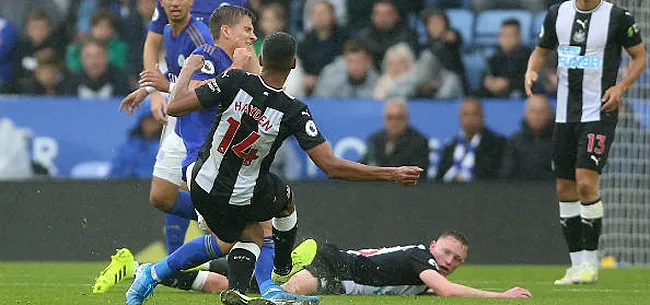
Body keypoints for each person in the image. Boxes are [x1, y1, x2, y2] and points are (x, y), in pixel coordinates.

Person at [151, 31, 422, 305]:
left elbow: (174, 106)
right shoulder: (294, 111)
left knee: (249, 234)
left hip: (201, 183)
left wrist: (187, 69)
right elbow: (331, 167)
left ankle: (165, 276)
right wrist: (391, 173)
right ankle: (279, 273)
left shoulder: (235, 78)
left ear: (260, 58)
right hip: (243, 190)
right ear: (294, 64)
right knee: (279, 206)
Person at [525, 0, 647, 284]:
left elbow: (640, 56)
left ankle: (591, 263)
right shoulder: (558, 13)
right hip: (565, 116)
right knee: (565, 187)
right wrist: (532, 69)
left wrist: (622, 86)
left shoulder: (618, 17)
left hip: (599, 112)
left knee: (585, 183)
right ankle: (576, 264)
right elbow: (541, 51)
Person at [275, 232, 532, 298]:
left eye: (457, 260)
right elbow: (448, 290)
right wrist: (501, 295)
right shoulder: (421, 256)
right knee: (286, 294)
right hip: (337, 266)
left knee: (248, 284)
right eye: (446, 252)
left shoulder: (423, 269)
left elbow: (433, 290)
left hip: (342, 277)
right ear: (433, 247)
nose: (449, 261)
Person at [143, 0, 246, 126]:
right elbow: (152, 45)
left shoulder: (201, 38)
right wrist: (151, 90)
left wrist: (167, 87)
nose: (175, 3)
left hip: (206, 110)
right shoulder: (169, 31)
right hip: (184, 102)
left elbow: (211, 87)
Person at [435, 97, 506, 182]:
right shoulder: (450, 148)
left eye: (474, 114)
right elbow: (438, 179)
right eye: (465, 114)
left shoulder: (497, 145)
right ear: (460, 118)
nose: (470, 119)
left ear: (482, 117)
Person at [361, 97, 429, 176]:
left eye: (399, 118)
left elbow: (419, 174)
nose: (394, 123)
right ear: (384, 119)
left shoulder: (419, 142)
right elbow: (365, 165)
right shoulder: (374, 139)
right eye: (390, 118)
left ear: (407, 119)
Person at [298, 1, 349, 95]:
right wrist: (305, 77)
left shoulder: (344, 39)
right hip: (310, 87)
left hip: (338, 86)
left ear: (333, 15)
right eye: (315, 13)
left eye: (323, 13)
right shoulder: (305, 41)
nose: (319, 16)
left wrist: (323, 80)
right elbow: (301, 65)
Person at [499, 95, 554, 180]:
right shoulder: (515, 141)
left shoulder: (559, 141)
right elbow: (507, 173)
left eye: (541, 112)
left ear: (550, 114)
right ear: (525, 114)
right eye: (533, 111)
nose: (537, 116)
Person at [358, 0, 419, 68]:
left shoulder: (407, 35)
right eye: (378, 14)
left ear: (396, 15)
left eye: (386, 14)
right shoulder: (365, 35)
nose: (382, 18)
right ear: (372, 17)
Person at [66, 9, 129, 73]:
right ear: (92, 28)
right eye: (98, 26)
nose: (102, 30)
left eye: (106, 26)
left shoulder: (120, 47)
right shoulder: (78, 47)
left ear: (112, 30)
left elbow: (119, 67)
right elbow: (73, 67)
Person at [482, 19, 532, 99]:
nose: (505, 39)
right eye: (502, 35)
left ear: (519, 37)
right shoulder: (494, 57)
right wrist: (489, 82)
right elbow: (488, 75)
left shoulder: (528, 56)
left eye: (509, 36)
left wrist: (508, 84)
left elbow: (531, 81)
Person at [313, 39, 379, 98]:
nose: (354, 66)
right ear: (344, 59)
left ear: (368, 61)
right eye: (350, 61)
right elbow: (319, 103)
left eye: (359, 61)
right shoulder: (330, 76)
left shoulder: (377, 81)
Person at [65, 39, 131, 98]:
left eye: (98, 56)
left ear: (106, 57)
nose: (94, 62)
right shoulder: (71, 83)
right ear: (81, 59)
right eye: (88, 56)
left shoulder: (121, 81)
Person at [109, 112, 163, 178]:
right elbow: (114, 173)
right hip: (124, 186)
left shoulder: (166, 146)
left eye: (154, 119)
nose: (150, 123)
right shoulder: (128, 146)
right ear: (141, 121)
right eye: (147, 119)